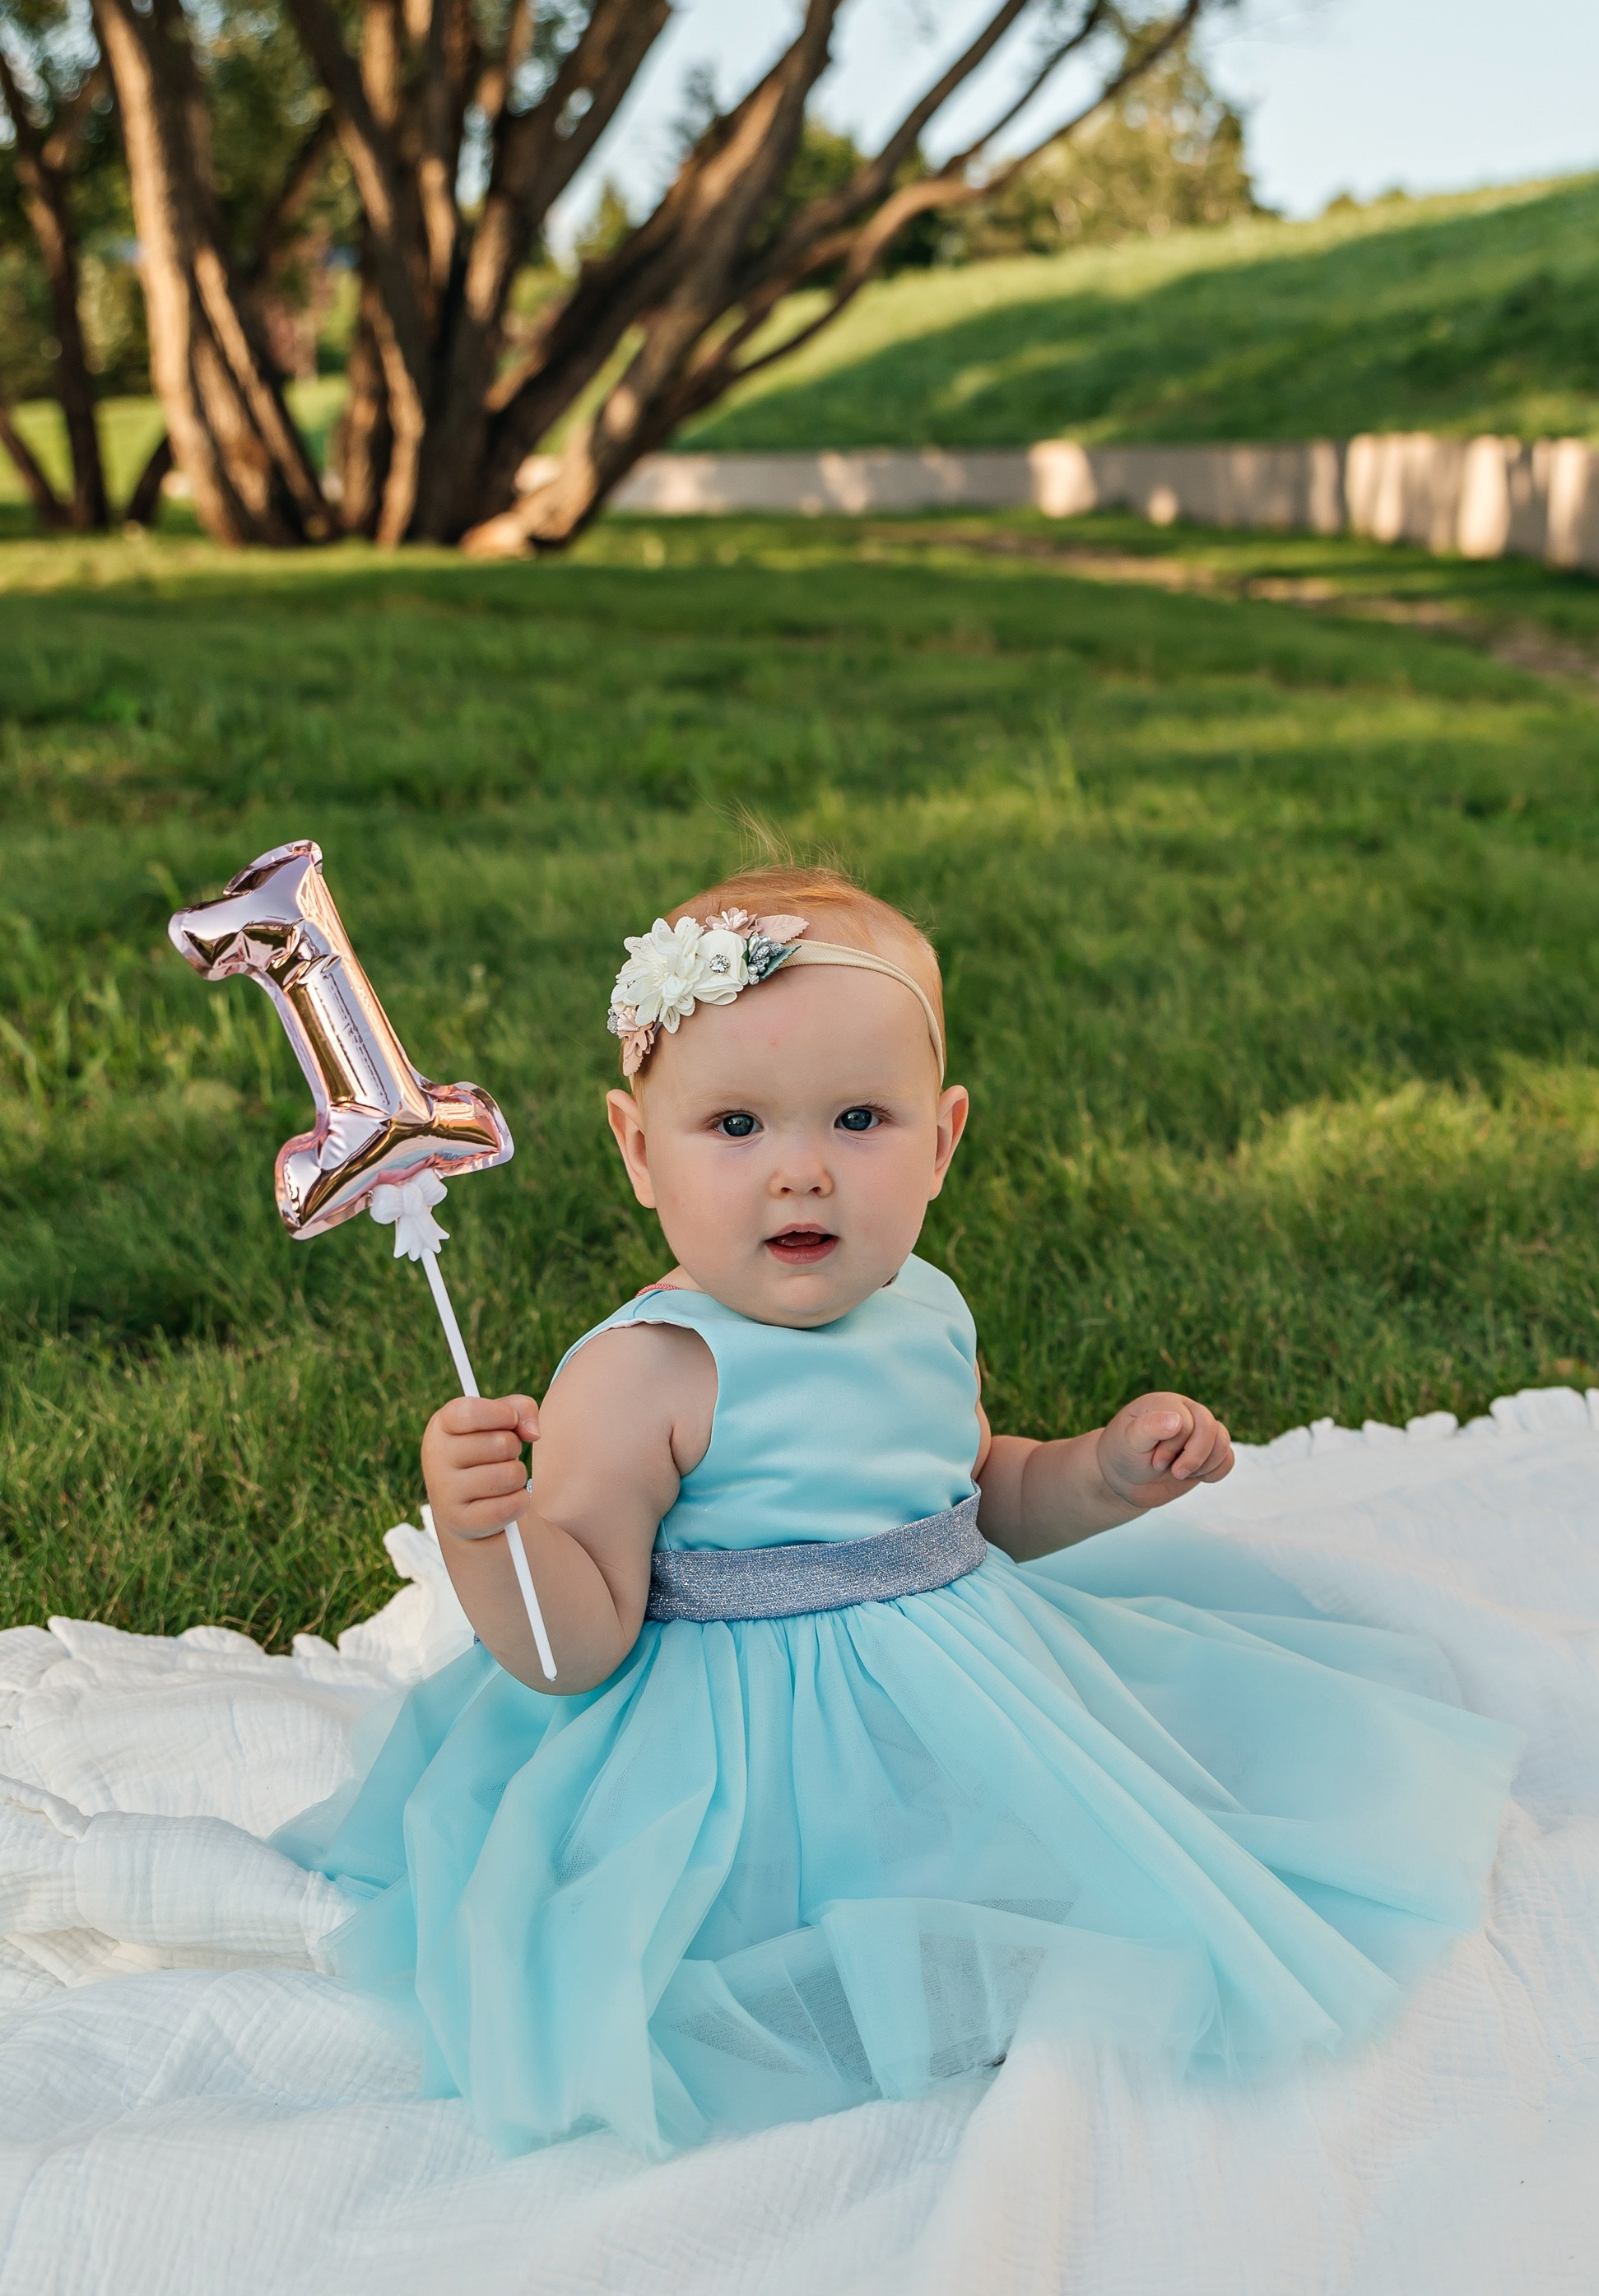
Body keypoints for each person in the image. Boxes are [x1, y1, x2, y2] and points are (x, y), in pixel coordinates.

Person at [281, 867, 1518, 2158]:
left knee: (1086, 1862)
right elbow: (571, 1644)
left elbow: (975, 1498)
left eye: (860, 1118)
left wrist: (1101, 1471)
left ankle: (981, 1958)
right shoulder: (643, 1373)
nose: (801, 1170)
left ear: (944, 1138)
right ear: (639, 1149)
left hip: (960, 1703)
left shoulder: (927, 1306)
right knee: (792, 1952)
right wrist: (488, 1532)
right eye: (737, 1126)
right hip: (738, 1760)